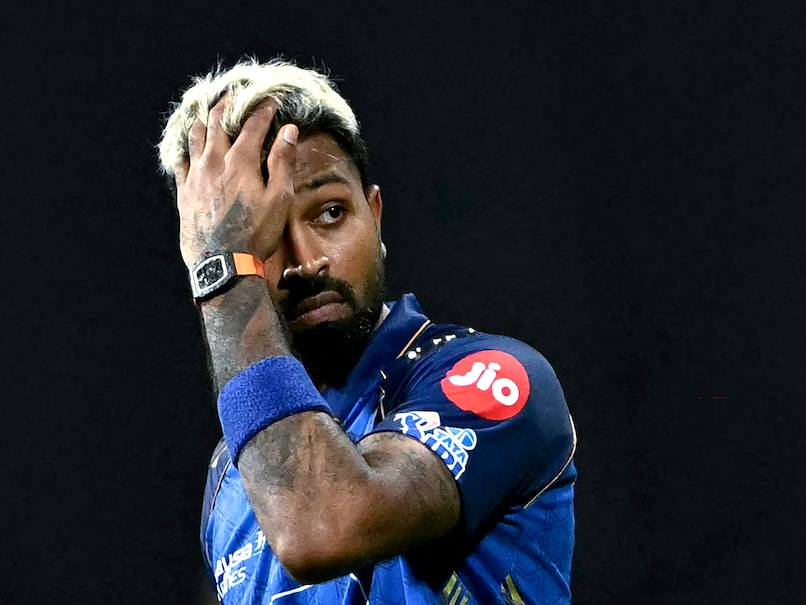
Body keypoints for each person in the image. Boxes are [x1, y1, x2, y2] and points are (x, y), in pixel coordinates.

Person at [158, 57, 577, 605]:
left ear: (374, 214)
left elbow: (320, 526)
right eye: (264, 234)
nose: (306, 261)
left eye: (330, 213)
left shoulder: (494, 378)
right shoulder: (230, 475)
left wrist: (224, 266)